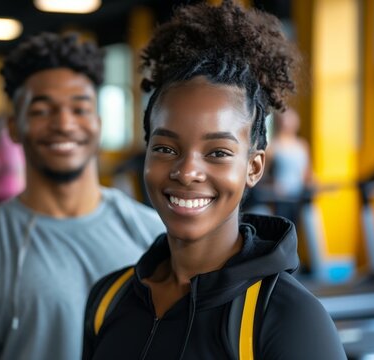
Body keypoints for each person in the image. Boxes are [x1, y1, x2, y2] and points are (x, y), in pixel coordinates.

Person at [83, 1, 346, 359]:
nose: (187, 171)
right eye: (165, 148)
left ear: (253, 168)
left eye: (218, 153)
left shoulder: (289, 320)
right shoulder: (108, 299)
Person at [0, 32, 164, 360]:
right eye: (42, 110)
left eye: (79, 108)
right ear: (15, 127)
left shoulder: (153, 233)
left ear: (97, 123)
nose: (64, 123)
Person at [266, 107, 312, 224]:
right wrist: (272, 185)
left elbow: (307, 172)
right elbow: (262, 175)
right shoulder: (273, 146)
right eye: (284, 119)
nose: (287, 122)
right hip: (279, 199)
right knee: (282, 227)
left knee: (296, 228)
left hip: (299, 197)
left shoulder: (302, 145)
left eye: (290, 119)